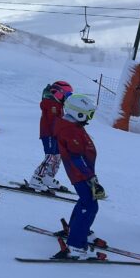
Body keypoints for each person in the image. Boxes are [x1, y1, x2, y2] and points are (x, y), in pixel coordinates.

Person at [53, 93, 107, 259]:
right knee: (90, 205)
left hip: (83, 173)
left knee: (86, 202)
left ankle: (77, 230)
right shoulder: (70, 131)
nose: (90, 118)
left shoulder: (73, 125)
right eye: (89, 114)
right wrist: (90, 178)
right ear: (79, 113)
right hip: (81, 174)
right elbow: (77, 158)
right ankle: (75, 244)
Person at [27, 81, 73, 191]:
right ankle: (36, 178)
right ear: (59, 93)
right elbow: (54, 122)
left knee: (57, 156)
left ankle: (48, 177)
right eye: (67, 95)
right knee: (50, 156)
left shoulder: (59, 105)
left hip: (56, 135)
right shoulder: (51, 104)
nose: (68, 98)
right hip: (49, 134)